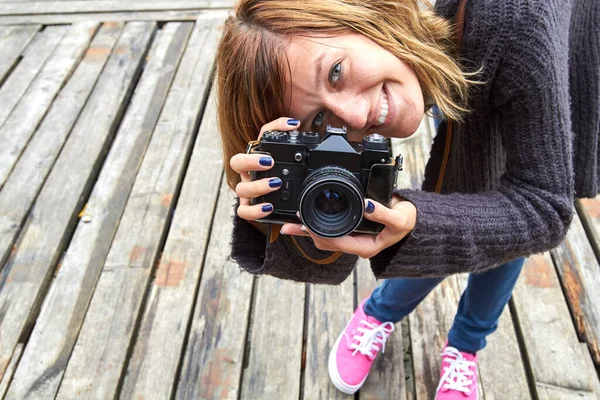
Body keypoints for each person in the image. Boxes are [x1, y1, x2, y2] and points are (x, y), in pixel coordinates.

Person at [215, 0, 599, 398]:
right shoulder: (416, 52)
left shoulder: (518, 20)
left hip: (549, 44)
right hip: (469, 51)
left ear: (365, 14)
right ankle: (383, 311)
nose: (356, 116)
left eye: (335, 72)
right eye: (316, 121)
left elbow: (544, 205)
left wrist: (421, 223)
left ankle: (464, 344)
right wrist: (273, 203)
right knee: (465, 186)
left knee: (496, 214)